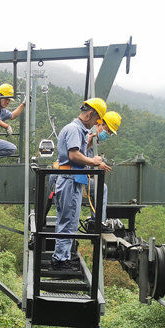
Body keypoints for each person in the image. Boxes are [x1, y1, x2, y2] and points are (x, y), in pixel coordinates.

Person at [51, 98, 112, 270]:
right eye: (96, 120)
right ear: (90, 114)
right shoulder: (74, 129)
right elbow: (74, 155)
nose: (95, 124)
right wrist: (93, 161)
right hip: (70, 178)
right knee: (68, 219)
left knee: (70, 220)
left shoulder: (79, 130)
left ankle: (63, 257)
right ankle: (60, 260)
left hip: (74, 178)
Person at [84, 111, 121, 232]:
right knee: (101, 188)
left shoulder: (94, 140)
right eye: (107, 130)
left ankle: (96, 220)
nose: (108, 134)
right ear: (99, 124)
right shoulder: (89, 137)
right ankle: (98, 222)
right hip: (71, 175)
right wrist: (95, 164)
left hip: (79, 175)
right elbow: (79, 157)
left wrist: (96, 166)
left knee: (98, 186)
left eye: (110, 133)